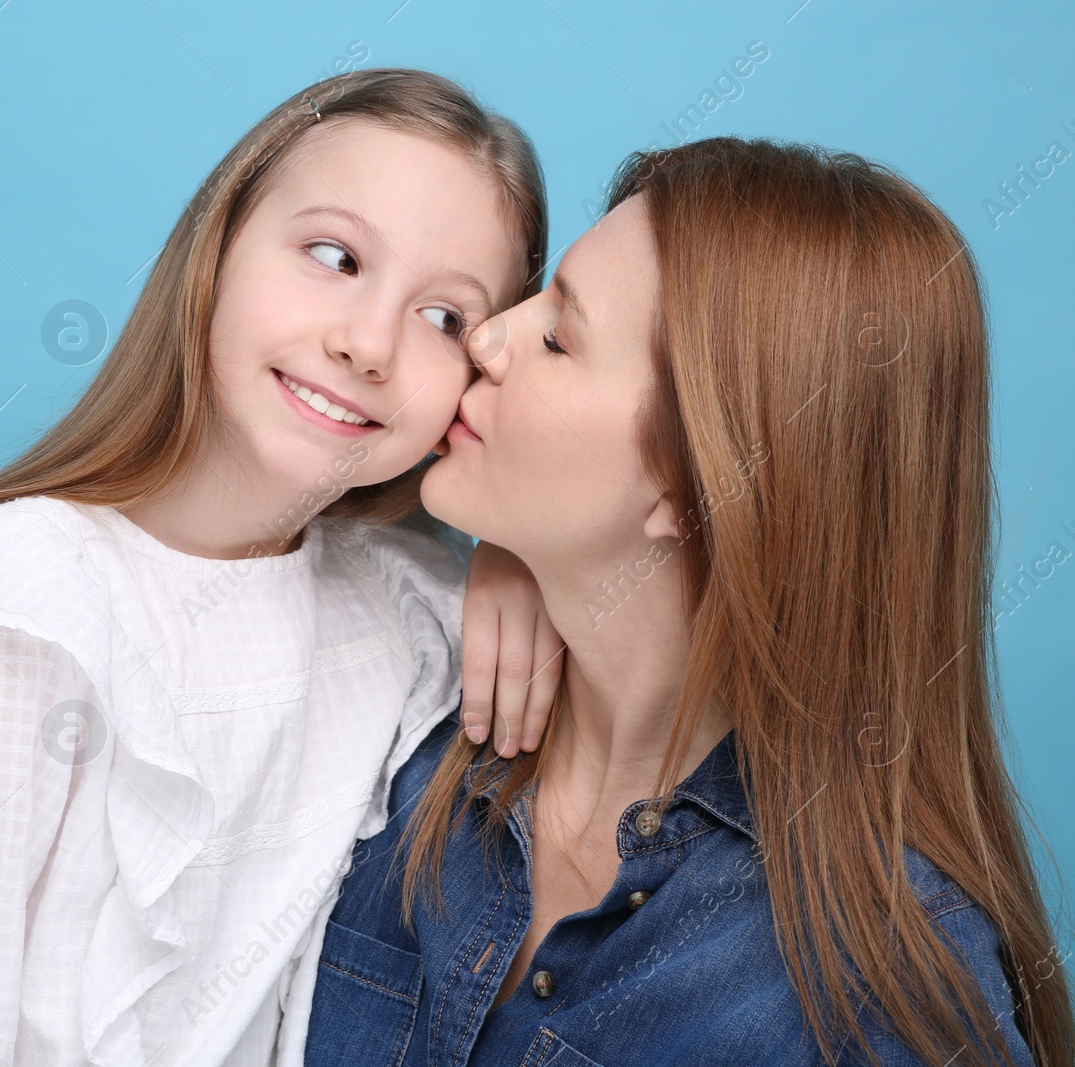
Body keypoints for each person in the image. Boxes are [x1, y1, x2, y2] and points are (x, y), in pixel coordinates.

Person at [0, 68, 563, 1066]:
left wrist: (522, 555)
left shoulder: (400, 603)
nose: (366, 344)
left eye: (444, 317)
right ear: (217, 246)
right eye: (332, 255)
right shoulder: (18, 593)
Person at [303, 136, 1074, 1066]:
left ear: (697, 481)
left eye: (558, 337)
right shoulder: (404, 717)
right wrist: (497, 548)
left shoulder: (869, 1006)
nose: (485, 335)